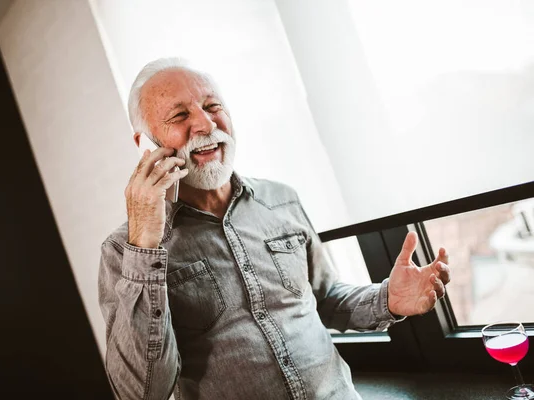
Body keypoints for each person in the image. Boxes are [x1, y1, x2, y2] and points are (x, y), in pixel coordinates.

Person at [98, 58, 451, 400]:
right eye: (180, 115)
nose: (206, 125)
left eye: (213, 105)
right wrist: (145, 243)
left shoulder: (282, 200)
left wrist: (387, 299)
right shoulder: (124, 251)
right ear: (145, 144)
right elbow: (140, 392)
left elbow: (324, 298)